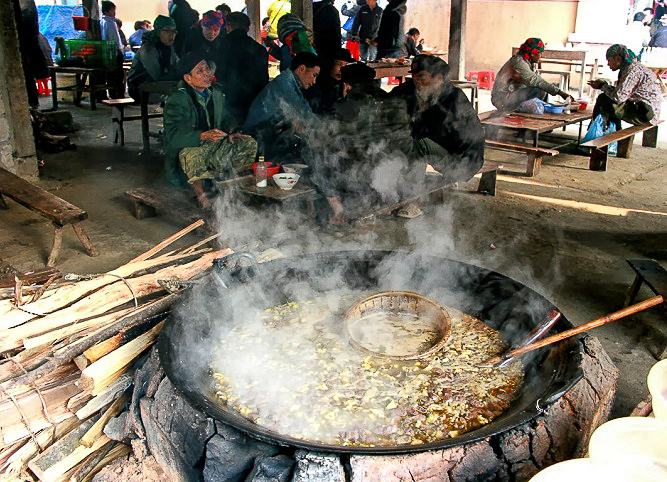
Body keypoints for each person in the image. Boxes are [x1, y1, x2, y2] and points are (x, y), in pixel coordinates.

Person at [311, 62, 415, 225]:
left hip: (362, 174)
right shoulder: (390, 100)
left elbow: (326, 142)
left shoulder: (342, 106)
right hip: (395, 173)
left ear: (346, 86)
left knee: (319, 154)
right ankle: (387, 202)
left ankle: (339, 213)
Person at [390, 55, 484, 213]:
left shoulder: (455, 99)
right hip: (439, 152)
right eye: (413, 76)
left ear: (439, 78)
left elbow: (461, 139)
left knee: (420, 143)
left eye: (421, 76)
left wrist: (428, 114)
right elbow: (388, 99)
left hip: (462, 160)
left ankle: (414, 200)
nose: (416, 81)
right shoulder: (415, 90)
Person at [163, 50, 257, 208]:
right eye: (200, 71)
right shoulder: (178, 100)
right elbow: (173, 136)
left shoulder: (215, 93)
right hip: (192, 150)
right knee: (191, 154)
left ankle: (234, 189)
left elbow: (227, 119)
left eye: (207, 68)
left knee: (249, 144)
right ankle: (202, 197)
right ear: (188, 78)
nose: (207, 73)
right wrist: (203, 135)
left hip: (215, 147)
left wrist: (231, 133)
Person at [244, 52, 320, 164]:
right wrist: (324, 132)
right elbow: (302, 112)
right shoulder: (285, 83)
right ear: (302, 69)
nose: (314, 81)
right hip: (256, 137)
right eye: (314, 75)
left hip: (267, 135)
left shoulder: (292, 83)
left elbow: (305, 107)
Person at [588, 44, 662, 130]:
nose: (608, 64)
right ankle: (608, 132)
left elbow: (619, 97)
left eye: (609, 60)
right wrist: (605, 86)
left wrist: (602, 86)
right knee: (609, 101)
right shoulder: (633, 67)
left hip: (647, 114)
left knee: (604, 99)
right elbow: (622, 93)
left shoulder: (631, 71)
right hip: (646, 110)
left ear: (618, 59)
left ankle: (598, 132)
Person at [491, 37, 573, 113]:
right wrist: (561, 93)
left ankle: (541, 113)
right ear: (533, 54)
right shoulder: (518, 62)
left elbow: (539, 81)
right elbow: (536, 81)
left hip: (512, 95)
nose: (541, 56)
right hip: (502, 98)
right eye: (540, 54)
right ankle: (521, 113)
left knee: (543, 91)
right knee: (538, 90)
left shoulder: (529, 63)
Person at [217, 12, 269, 125]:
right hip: (255, 102)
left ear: (228, 26)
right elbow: (264, 80)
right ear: (247, 28)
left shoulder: (223, 45)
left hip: (231, 102)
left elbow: (220, 73)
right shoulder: (259, 49)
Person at [127, 15, 180, 101]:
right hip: (139, 88)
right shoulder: (148, 49)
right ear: (158, 32)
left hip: (157, 85)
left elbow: (177, 66)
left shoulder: (168, 48)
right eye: (167, 31)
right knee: (178, 96)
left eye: (174, 31)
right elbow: (156, 75)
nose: (172, 35)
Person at [306, 48, 355, 114]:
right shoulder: (317, 82)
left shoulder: (346, 84)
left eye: (346, 65)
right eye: (339, 64)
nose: (342, 69)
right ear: (332, 64)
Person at [99, 1, 126, 98]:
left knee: (111, 77)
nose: (114, 12)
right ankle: (118, 96)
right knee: (118, 76)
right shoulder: (110, 23)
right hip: (115, 53)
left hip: (108, 53)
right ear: (106, 11)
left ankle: (113, 94)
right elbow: (114, 39)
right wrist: (120, 51)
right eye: (112, 10)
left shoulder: (102, 22)